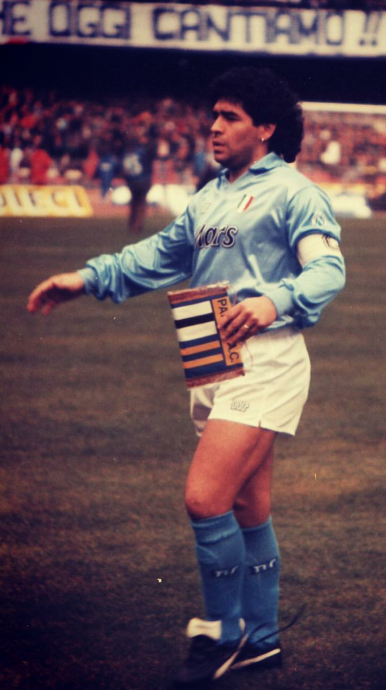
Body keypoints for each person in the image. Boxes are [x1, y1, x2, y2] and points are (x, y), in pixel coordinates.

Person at [27, 67, 346, 687]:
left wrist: (275, 300)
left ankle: (221, 634)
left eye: (230, 116)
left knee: (204, 497)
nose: (214, 126)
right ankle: (262, 641)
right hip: (210, 358)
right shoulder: (210, 195)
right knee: (249, 507)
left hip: (266, 361)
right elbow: (154, 257)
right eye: (214, 114)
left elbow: (328, 270)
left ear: (266, 128)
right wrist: (85, 279)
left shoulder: (295, 193)